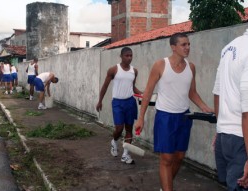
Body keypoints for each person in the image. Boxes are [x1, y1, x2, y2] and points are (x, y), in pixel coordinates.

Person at [135, 33, 213, 191]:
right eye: (183, 44)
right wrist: (141, 118)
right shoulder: (160, 65)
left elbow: (192, 93)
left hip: (184, 117)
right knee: (167, 158)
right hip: (165, 117)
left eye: (189, 44)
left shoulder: (191, 67)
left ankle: (165, 187)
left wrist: (206, 108)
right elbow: (148, 92)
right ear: (173, 47)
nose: (188, 47)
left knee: (179, 157)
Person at [212, 29, 248, 191]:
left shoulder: (228, 48)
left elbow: (217, 92)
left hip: (225, 136)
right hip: (242, 139)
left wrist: (219, 129)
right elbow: (247, 112)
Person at [96, 47, 143, 164]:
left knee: (129, 129)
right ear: (121, 56)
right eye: (127, 55)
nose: (129, 58)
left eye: (131, 56)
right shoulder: (113, 70)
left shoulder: (134, 71)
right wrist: (100, 101)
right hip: (117, 103)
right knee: (119, 128)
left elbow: (132, 87)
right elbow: (105, 86)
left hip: (130, 103)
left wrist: (143, 93)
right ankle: (114, 142)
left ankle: (125, 155)